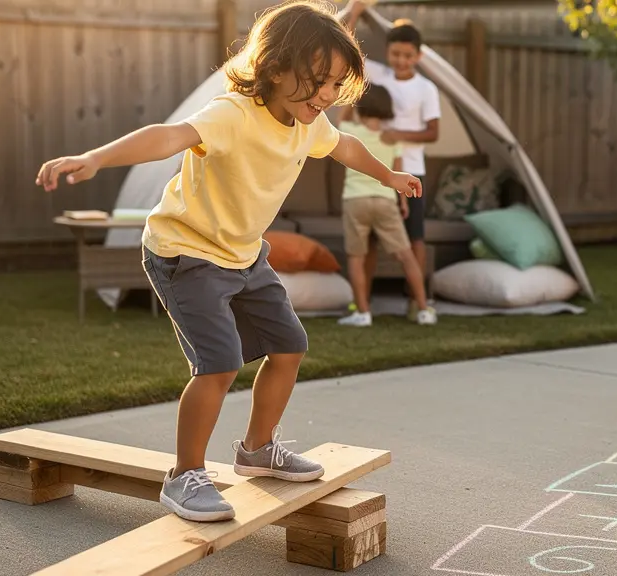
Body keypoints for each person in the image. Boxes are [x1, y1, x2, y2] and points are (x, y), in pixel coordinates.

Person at [34, 0, 421, 522]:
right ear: (276, 67)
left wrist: (388, 176)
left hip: (243, 254)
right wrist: (96, 158)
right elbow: (168, 137)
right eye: (318, 82)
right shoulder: (234, 113)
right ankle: (184, 475)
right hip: (184, 251)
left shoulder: (311, 122)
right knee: (219, 363)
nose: (327, 96)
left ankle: (257, 449)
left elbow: (347, 146)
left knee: (289, 346)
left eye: (335, 85)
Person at [344, 2, 440, 321]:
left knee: (414, 238)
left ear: (418, 56)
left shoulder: (426, 88)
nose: (401, 61)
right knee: (368, 243)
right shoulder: (380, 76)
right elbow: (349, 61)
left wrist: (396, 135)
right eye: (396, 54)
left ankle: (418, 302)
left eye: (408, 56)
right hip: (378, 170)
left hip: (411, 169)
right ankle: (364, 303)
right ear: (388, 52)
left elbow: (432, 133)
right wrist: (355, 12)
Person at [336, 84, 436, 326]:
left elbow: (341, 117)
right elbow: (399, 173)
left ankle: (362, 313)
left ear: (361, 106)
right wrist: (403, 202)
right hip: (385, 201)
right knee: (406, 256)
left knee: (356, 257)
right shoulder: (392, 139)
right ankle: (423, 309)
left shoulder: (350, 131)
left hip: (355, 201)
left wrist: (353, 93)